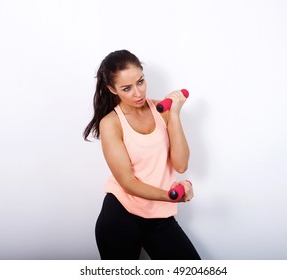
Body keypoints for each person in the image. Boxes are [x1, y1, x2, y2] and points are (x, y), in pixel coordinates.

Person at [83, 50, 200, 260]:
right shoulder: (111, 123)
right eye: (127, 88)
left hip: (159, 217)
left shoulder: (162, 110)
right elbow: (127, 182)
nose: (138, 93)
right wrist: (171, 197)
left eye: (140, 82)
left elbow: (181, 165)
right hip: (121, 216)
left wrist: (174, 115)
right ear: (112, 89)